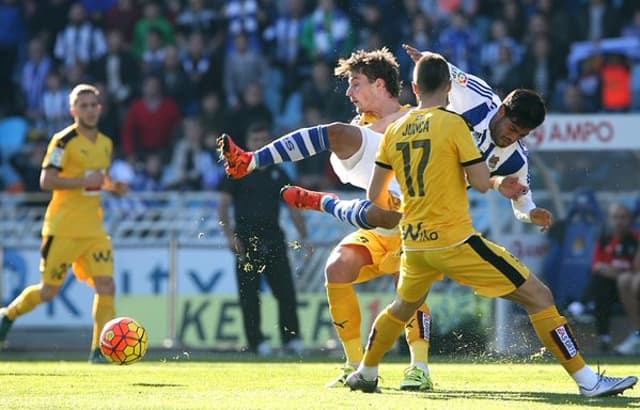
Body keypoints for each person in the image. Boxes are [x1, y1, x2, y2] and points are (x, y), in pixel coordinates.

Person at [344, 52, 637, 397]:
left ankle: (366, 371)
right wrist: (498, 184)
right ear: (499, 111)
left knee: (402, 307)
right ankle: (588, 381)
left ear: (414, 88)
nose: (513, 138)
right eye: (513, 128)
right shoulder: (459, 121)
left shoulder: (396, 129)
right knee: (541, 297)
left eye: (521, 134)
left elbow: (374, 191)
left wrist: (529, 211)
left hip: (415, 242)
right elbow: (481, 181)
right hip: (454, 241)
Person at [220, 48, 437, 391]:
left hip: (418, 227)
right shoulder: (359, 128)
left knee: (407, 285)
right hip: (380, 225)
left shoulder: (420, 118)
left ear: (380, 84)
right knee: (337, 267)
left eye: (355, 84)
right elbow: (347, 158)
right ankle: (355, 365)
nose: (349, 93)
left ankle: (420, 367)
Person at [0, 84, 127, 363]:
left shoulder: (105, 143)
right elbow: (46, 180)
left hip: (94, 229)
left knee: (107, 285)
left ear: (100, 108)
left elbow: (98, 178)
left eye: (93, 105)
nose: (90, 110)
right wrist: (83, 181)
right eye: (83, 106)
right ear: (73, 110)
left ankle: (100, 351)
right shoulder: (62, 141)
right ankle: (8, 314)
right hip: (63, 228)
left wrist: (113, 185)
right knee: (48, 291)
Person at [218, 122, 307, 356]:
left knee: (285, 291)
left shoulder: (279, 172)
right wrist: (230, 237)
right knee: (249, 295)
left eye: (263, 141)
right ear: (248, 143)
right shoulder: (236, 171)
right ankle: (256, 342)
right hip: (246, 241)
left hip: (274, 239)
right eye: (255, 141)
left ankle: (292, 340)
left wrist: (304, 236)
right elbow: (223, 207)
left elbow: (293, 206)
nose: (259, 145)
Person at [567, 203, 640, 353]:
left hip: (629, 285)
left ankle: (581, 305)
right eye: (615, 217)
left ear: (630, 220)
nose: (619, 221)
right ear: (610, 219)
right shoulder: (605, 239)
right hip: (612, 287)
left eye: (623, 217)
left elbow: (635, 270)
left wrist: (615, 272)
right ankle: (604, 339)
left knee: (621, 280)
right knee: (602, 286)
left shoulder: (636, 239)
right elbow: (597, 266)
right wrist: (615, 272)